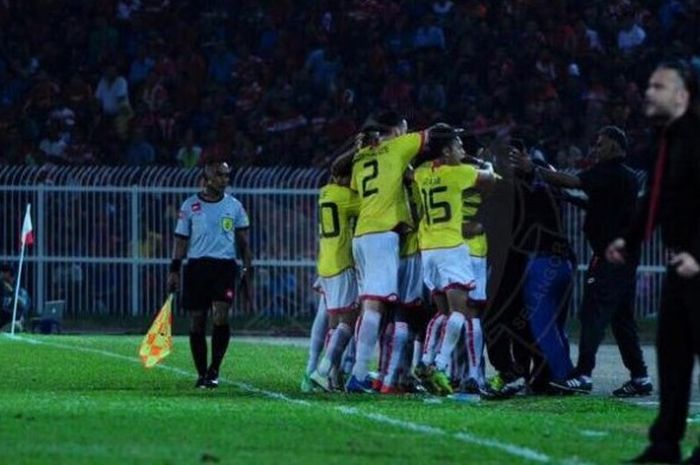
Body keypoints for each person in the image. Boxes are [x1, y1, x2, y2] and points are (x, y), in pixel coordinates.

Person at [510, 126, 650, 396]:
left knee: (591, 314)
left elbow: (573, 181)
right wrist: (571, 200)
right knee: (622, 320)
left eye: (601, 144)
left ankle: (583, 374)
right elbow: (603, 207)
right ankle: (640, 376)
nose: (595, 149)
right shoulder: (628, 178)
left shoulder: (607, 171)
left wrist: (534, 169)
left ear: (616, 147)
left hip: (609, 259)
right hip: (626, 258)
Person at [612, 61, 700, 464]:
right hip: (681, 265)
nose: (648, 91)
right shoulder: (669, 139)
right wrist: (629, 241)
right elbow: (658, 199)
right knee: (673, 352)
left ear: (682, 96)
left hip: (696, 263)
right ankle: (665, 444)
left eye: (658, 86)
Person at [344, 112, 428, 393]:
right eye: (405, 126)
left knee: (374, 306)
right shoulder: (399, 146)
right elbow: (433, 136)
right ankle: (358, 374)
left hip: (363, 234)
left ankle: (360, 371)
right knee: (376, 307)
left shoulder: (360, 157)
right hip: (383, 236)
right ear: (397, 128)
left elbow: (357, 185)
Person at [413, 124, 496, 395]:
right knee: (462, 313)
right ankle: (441, 364)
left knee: (442, 313)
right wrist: (480, 161)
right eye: (457, 146)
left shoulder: (423, 173)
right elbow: (491, 178)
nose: (462, 150)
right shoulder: (459, 173)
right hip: (453, 248)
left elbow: (412, 172)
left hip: (428, 250)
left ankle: (426, 361)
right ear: (447, 151)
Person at [167, 161, 253, 389]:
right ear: (206, 179)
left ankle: (214, 369)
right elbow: (180, 240)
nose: (224, 179)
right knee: (197, 321)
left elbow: (244, 243)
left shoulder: (235, 206)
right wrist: (174, 269)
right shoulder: (190, 206)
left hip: (224, 268)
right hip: (197, 267)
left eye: (226, 175)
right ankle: (202, 372)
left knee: (221, 316)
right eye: (220, 175)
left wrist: (246, 270)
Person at [308, 160, 361, 392]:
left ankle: (333, 376)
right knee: (348, 322)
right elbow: (372, 205)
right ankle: (322, 371)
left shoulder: (325, 192)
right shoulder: (344, 195)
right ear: (342, 177)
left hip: (326, 264)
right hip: (341, 263)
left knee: (333, 323)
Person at [0, 263, 30, 332]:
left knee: (16, 326)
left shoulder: (19, 291)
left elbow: (24, 305)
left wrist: (12, 293)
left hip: (11, 323)